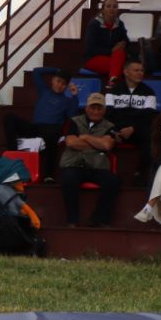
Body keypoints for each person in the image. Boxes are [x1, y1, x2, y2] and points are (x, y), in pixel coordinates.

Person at [57, 92, 121, 227]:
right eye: (93, 107)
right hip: (74, 164)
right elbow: (71, 143)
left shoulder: (110, 126)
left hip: (97, 167)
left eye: (99, 108)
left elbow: (107, 145)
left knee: (113, 181)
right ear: (86, 108)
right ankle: (72, 220)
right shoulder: (74, 121)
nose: (96, 111)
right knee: (69, 178)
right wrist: (97, 143)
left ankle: (99, 219)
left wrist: (85, 137)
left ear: (104, 110)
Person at [2, 68, 75, 178]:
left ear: (66, 86)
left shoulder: (67, 101)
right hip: (35, 128)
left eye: (63, 84)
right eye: (58, 81)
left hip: (51, 130)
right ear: (53, 80)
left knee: (53, 134)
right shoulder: (44, 91)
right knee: (9, 118)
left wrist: (75, 96)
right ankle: (13, 152)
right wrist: (56, 70)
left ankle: (49, 175)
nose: (60, 85)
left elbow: (73, 116)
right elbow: (36, 72)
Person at [103, 58, 160, 181]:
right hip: (117, 129)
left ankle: (140, 173)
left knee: (151, 137)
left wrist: (133, 128)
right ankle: (106, 174)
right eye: (136, 70)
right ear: (126, 72)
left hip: (137, 130)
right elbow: (108, 115)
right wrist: (116, 130)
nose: (140, 73)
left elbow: (149, 116)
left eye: (142, 70)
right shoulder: (113, 91)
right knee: (102, 134)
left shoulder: (149, 92)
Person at [82, 0, 129, 76]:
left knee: (119, 54)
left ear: (117, 10)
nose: (112, 9)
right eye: (108, 6)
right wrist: (111, 50)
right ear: (103, 10)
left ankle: (112, 81)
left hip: (115, 58)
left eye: (115, 7)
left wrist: (123, 44)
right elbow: (90, 49)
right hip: (95, 58)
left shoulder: (120, 24)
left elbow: (126, 41)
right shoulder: (94, 24)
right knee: (122, 67)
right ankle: (114, 80)